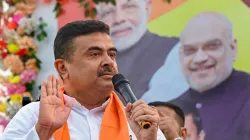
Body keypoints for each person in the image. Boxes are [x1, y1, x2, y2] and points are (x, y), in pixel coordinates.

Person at [1, 20, 167, 140]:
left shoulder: (138, 122)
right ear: (62, 68)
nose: (108, 61)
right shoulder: (34, 115)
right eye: (95, 54)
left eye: (112, 55)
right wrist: (42, 131)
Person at [171, 11, 250, 140]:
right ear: (181, 56)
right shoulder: (169, 111)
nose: (199, 58)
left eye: (211, 46)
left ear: (233, 48)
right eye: (190, 50)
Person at [96, 0, 183, 101]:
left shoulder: (177, 51)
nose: (119, 19)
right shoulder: (92, 67)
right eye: (107, 12)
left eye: (129, 7)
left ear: (147, 8)